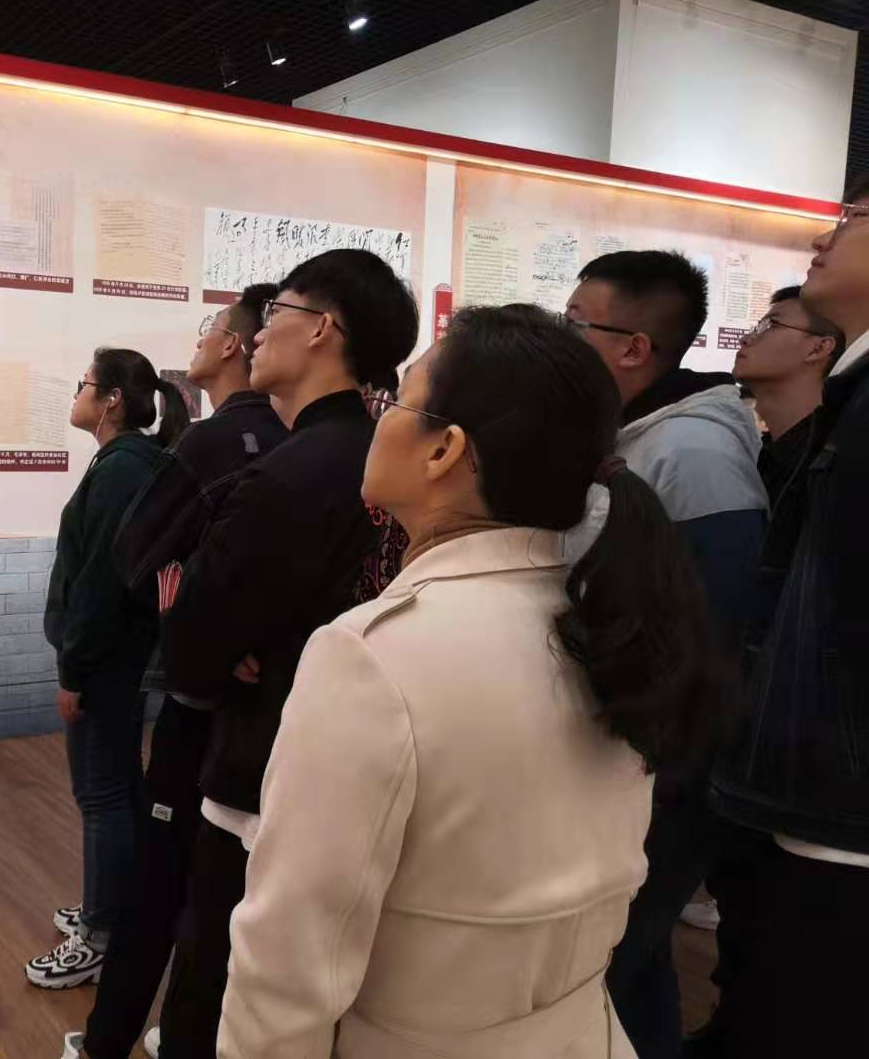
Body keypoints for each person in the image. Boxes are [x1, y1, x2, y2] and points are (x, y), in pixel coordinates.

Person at [217, 305, 730, 1058]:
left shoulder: (373, 657)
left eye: (397, 400)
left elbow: (289, 965)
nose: (377, 417)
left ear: (443, 450)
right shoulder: (608, 622)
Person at [155, 248, 418, 1058]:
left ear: (323, 329)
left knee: (217, 974)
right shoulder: (369, 453)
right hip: (341, 747)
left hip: (263, 759)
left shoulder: (293, 469)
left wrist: (225, 642)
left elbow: (193, 638)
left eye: (277, 314)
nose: (259, 332)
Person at [58, 285, 289, 1059]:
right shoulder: (260, 440)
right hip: (230, 690)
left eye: (209, 328)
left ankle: (109, 1017)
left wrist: (206, 628)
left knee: (155, 859)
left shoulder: (215, 445)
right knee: (208, 877)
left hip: (199, 697)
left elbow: (127, 565)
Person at [566, 249, 767, 1058]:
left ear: (634, 348)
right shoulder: (640, 437)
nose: (561, 338)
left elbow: (712, 632)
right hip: (641, 758)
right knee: (634, 963)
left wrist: (652, 760)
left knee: (609, 963)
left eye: (575, 323)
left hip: (663, 769)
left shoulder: (692, 456)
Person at [699, 181, 869, 1059]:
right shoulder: (852, 400)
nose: (823, 239)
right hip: (813, 792)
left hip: (839, 808)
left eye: (853, 220)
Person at [27, 348, 190, 990]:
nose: (78, 393)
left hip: (105, 664)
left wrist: (74, 672)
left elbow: (100, 581)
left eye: (85, 384)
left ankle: (99, 935)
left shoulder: (123, 466)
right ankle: (114, 908)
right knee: (117, 788)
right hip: (111, 659)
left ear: (112, 399)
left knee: (102, 795)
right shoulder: (123, 460)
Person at [732, 285, 845, 505]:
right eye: (757, 327)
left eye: (771, 325)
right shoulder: (766, 457)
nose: (745, 339)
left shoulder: (836, 467)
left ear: (818, 349)